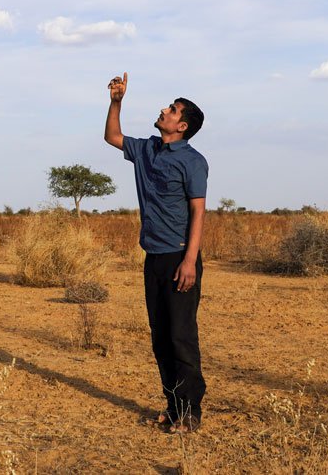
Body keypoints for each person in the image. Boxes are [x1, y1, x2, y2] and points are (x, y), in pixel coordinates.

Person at [104, 71, 208, 433]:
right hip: (153, 258)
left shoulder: (192, 161)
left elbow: (198, 210)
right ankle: (174, 407)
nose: (164, 110)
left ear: (181, 126)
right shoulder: (147, 149)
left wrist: (190, 261)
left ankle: (191, 412)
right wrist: (116, 101)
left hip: (181, 257)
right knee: (160, 336)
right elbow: (112, 136)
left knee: (181, 335)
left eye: (172, 109)